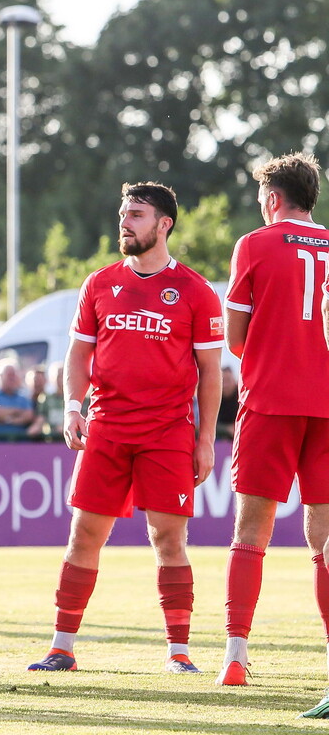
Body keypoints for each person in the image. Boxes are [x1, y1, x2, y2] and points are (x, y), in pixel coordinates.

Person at [27, 181, 223, 675]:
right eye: (122, 214)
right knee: (84, 535)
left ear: (163, 225)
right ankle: (62, 647)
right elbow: (78, 354)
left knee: (168, 540)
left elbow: (211, 373)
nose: (124, 222)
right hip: (106, 429)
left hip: (167, 434)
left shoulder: (196, 292)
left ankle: (179, 653)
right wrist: (73, 406)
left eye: (136, 214)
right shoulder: (98, 283)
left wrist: (205, 442)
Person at [214, 153, 329, 693]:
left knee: (251, 530)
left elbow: (236, 336)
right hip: (327, 404)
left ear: (272, 199)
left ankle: (236, 656)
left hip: (271, 400)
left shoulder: (255, 244)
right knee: (325, 537)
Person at [0, 358, 34, 439]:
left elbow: (28, 416)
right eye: (9, 375)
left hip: (19, 444)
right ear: (0, 376)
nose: (12, 378)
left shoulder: (23, 397)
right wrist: (17, 412)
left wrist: (6, 418)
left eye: (14, 375)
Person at [215, 366, 239, 439]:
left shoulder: (241, 397)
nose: (225, 385)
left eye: (228, 380)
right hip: (218, 439)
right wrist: (227, 429)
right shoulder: (214, 397)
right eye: (223, 381)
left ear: (234, 381)